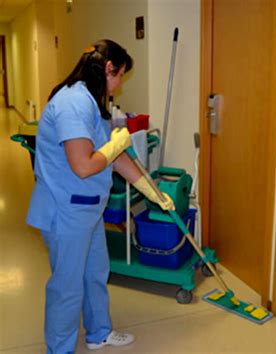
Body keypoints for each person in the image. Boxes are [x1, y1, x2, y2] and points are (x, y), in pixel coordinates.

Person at [26, 39, 173, 354]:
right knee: (67, 286)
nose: (119, 84)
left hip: (88, 210)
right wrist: (113, 146)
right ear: (108, 68)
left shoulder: (93, 103)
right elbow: (83, 165)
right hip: (65, 211)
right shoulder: (71, 104)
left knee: (95, 273)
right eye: (120, 75)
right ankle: (60, 349)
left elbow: (116, 156)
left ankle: (98, 334)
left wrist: (153, 192)